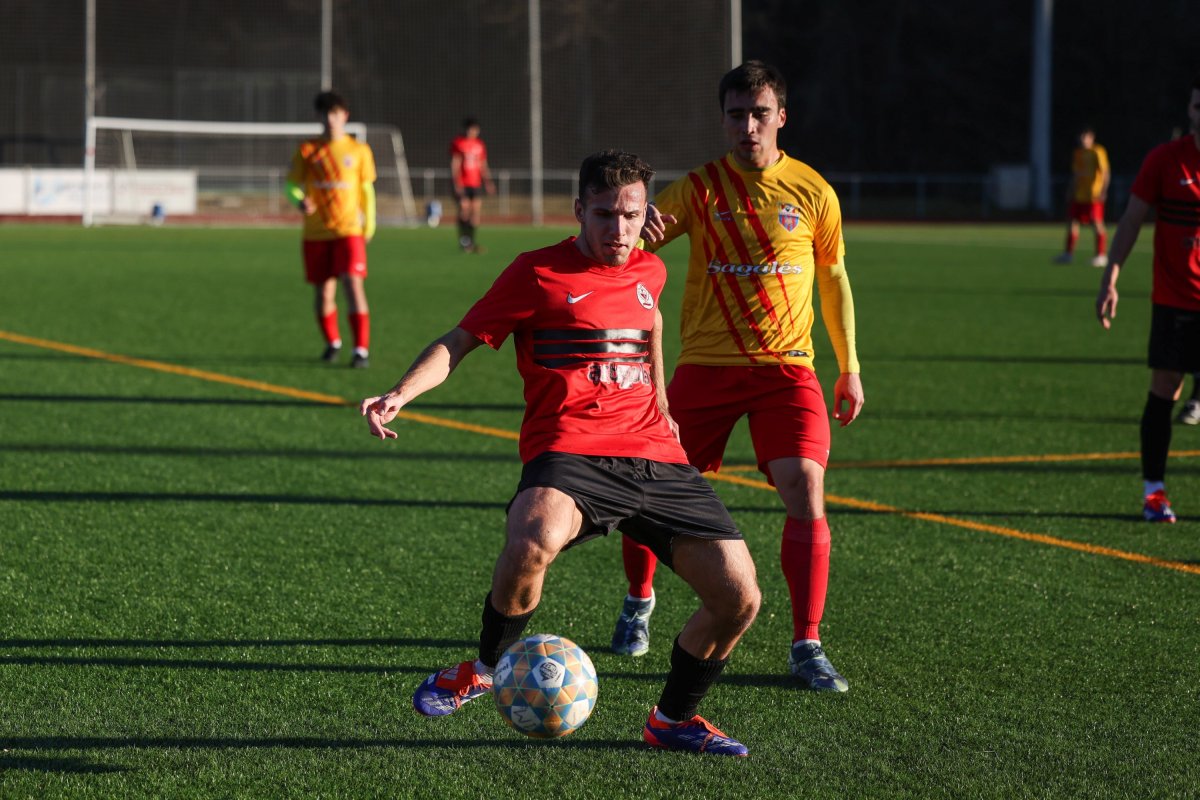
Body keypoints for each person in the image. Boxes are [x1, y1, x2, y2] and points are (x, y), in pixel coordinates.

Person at [361, 150, 761, 756]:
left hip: (655, 455)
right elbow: (459, 341)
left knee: (740, 597)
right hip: (571, 449)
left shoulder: (651, 270)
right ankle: (484, 668)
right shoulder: (536, 273)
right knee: (531, 538)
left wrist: (666, 408)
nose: (619, 229)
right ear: (579, 210)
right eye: (604, 214)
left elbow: (649, 331)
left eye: (631, 215)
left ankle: (673, 720)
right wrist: (400, 392)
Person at [610, 61, 864, 694]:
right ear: (722, 119)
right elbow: (634, 247)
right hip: (707, 368)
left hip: (788, 371)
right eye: (735, 114)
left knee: (806, 492)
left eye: (758, 113)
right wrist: (645, 237)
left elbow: (833, 281)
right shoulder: (700, 189)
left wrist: (850, 368)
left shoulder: (813, 191)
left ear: (781, 116)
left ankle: (807, 643)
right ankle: (638, 602)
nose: (747, 126)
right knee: (645, 486)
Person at [1095, 78, 1200, 523]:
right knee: (1165, 390)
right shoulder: (1165, 160)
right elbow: (1132, 220)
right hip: (1175, 300)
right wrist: (1111, 279)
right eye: (1199, 102)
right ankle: (1154, 493)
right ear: (1191, 109)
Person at [286, 90, 377, 368]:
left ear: (344, 116)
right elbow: (290, 185)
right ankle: (332, 343)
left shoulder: (359, 150)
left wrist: (369, 224)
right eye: (325, 114)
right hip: (316, 233)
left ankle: (360, 349)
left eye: (335, 113)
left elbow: (366, 190)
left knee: (352, 284)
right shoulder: (308, 150)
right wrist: (299, 201)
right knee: (324, 292)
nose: (330, 119)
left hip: (349, 231)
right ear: (318, 117)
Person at [1055, 127, 1111, 268]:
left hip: (1093, 194)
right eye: (1080, 137)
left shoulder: (1097, 151)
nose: (1082, 140)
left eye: (1085, 137)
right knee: (1072, 222)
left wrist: (1104, 190)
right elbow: (1075, 175)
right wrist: (1070, 190)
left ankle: (1101, 255)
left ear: (1091, 137)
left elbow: (1105, 172)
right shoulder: (1078, 153)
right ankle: (1068, 254)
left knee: (1097, 223)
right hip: (1079, 194)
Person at [449, 117, 495, 253]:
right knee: (464, 210)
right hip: (463, 183)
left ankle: (471, 243)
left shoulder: (480, 144)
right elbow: (455, 163)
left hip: (476, 183)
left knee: (475, 213)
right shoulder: (458, 143)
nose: (472, 131)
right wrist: (456, 183)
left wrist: (488, 182)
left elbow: (483, 165)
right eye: (470, 129)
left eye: (474, 129)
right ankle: (463, 241)